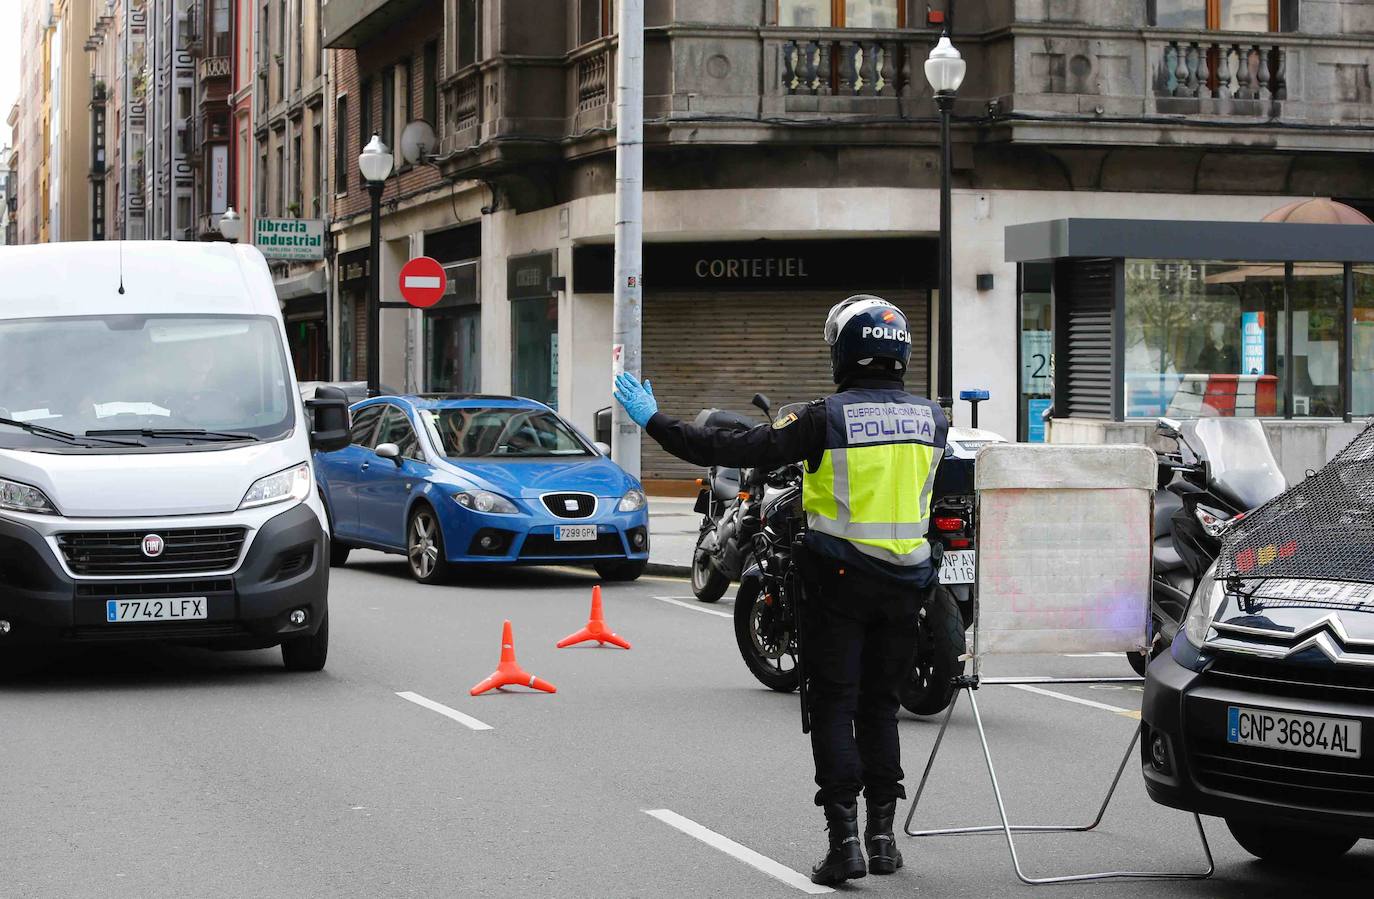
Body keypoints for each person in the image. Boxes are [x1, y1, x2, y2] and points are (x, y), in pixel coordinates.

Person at [613, 295, 947, 886]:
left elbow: (729, 449)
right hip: (908, 586)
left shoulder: (823, 418)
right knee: (879, 708)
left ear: (845, 352)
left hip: (840, 582)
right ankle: (883, 839)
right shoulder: (933, 418)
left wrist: (653, 420)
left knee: (834, 705)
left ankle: (845, 843)